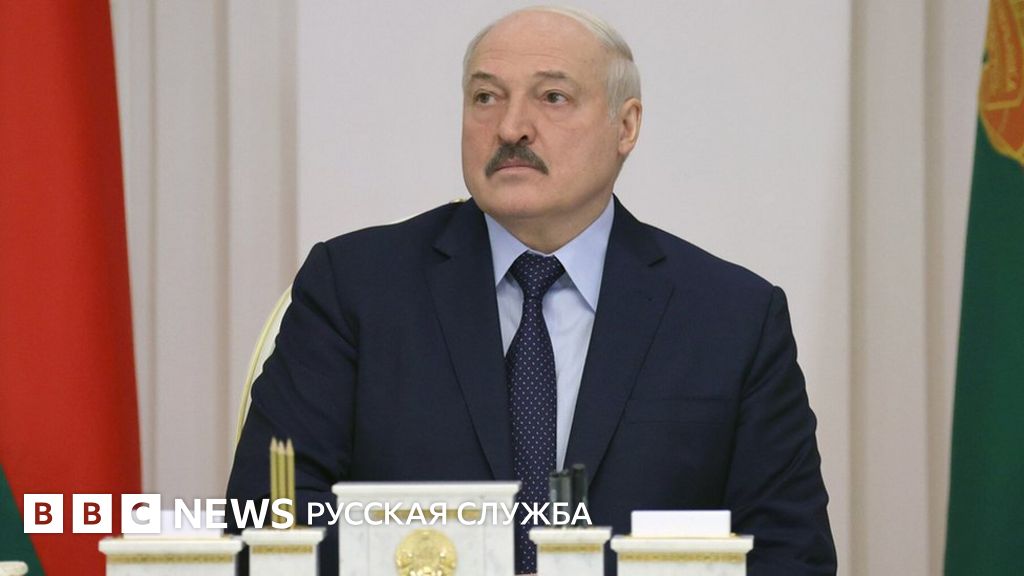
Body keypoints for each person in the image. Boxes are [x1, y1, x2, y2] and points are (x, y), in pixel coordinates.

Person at [227, 6, 837, 576]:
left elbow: (788, 551)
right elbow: (272, 521)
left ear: (626, 126)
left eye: (552, 97)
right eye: (486, 97)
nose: (511, 127)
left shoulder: (732, 318)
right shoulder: (356, 288)